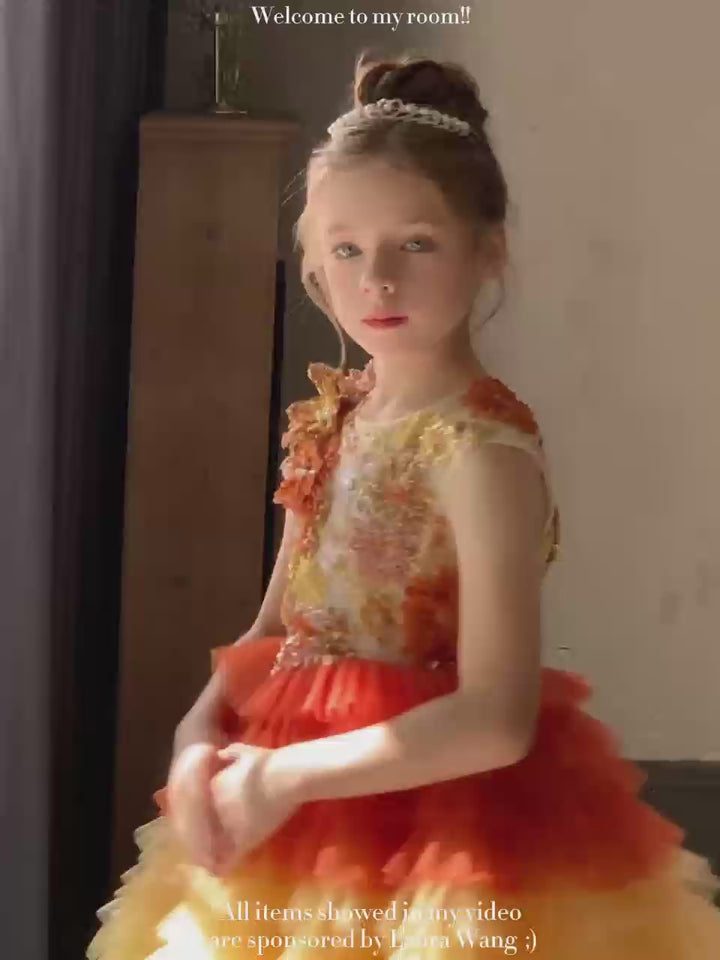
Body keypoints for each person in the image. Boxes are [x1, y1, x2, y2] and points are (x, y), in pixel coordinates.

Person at [87, 52, 720, 959]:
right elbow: (277, 626)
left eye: (416, 244)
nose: (377, 279)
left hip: (437, 826)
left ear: (487, 250)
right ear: (314, 262)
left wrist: (289, 777)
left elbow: (497, 719)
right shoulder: (333, 418)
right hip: (285, 802)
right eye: (347, 249)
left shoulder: (481, 454)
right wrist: (199, 730)